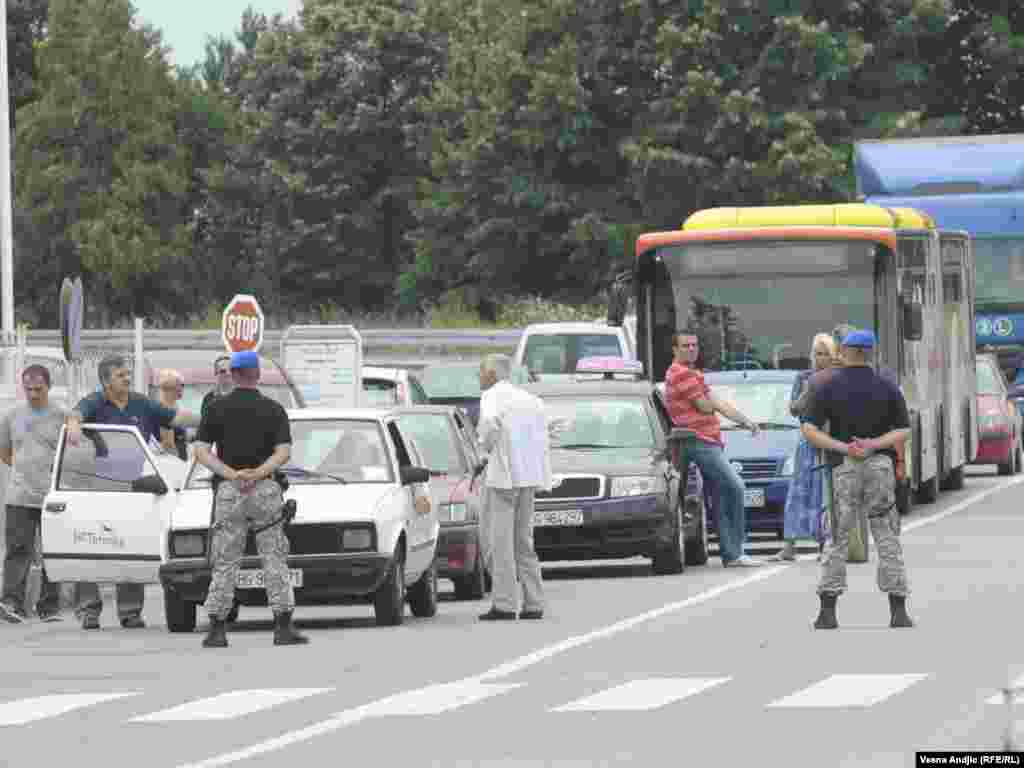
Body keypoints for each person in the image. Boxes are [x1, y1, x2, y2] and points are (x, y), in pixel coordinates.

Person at [65, 354, 200, 630]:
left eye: (128, 374)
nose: (127, 378)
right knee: (90, 547)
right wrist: (75, 425)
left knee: (128, 545)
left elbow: (175, 416)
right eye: (120, 375)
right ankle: (89, 611)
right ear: (105, 380)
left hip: (134, 486)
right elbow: (76, 414)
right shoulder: (95, 402)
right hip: (99, 486)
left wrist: (210, 418)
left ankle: (130, 612)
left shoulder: (141, 403)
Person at [193, 349, 308, 647]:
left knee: (225, 559)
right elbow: (284, 452)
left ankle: (217, 629)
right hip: (266, 489)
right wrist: (259, 472)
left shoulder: (216, 408)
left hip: (230, 492)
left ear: (232, 374)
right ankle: (283, 626)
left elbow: (201, 451)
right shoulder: (273, 409)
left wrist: (231, 474)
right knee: (274, 556)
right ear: (257, 375)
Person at [802, 329, 913, 630]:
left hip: (844, 468)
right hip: (879, 467)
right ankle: (898, 611)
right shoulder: (887, 386)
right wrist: (875, 444)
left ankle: (827, 611)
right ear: (872, 352)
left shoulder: (827, 385)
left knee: (837, 536)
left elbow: (809, 429)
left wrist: (843, 447)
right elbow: (903, 429)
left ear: (845, 352)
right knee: (886, 535)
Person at [664, 332, 763, 568]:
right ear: (674, 349)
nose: (691, 349)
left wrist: (745, 421)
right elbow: (706, 405)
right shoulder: (681, 373)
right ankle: (736, 551)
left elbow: (717, 404)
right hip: (699, 440)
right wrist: (711, 405)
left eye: (694, 345)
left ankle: (732, 554)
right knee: (735, 487)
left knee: (720, 494)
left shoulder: (694, 374)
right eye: (685, 345)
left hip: (707, 439)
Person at [476, 353, 552, 620]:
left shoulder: (492, 396)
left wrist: (484, 450)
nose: (480, 376)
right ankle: (534, 601)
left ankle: (505, 603)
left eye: (482, 371)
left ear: (493, 374)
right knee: (524, 542)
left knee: (501, 543)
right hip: (529, 477)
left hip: (503, 478)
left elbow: (488, 424)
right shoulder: (532, 400)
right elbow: (545, 436)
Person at [0, 365, 71, 623]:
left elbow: (72, 450)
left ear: (48, 387)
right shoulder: (11, 415)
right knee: (18, 550)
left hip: (52, 496)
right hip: (19, 495)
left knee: (52, 551)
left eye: (38, 389)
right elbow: (5, 452)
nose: (32, 394)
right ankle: (11, 603)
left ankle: (49, 606)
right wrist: (24, 472)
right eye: (27, 389)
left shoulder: (61, 414)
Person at [771, 333, 837, 562]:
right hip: (807, 441)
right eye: (817, 354)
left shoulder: (837, 377)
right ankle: (789, 545)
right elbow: (794, 409)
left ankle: (824, 543)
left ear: (833, 356)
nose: (820, 359)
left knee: (823, 493)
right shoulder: (804, 377)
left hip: (827, 441)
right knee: (798, 491)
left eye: (825, 354)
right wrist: (809, 390)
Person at [157, 369, 188, 460]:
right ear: (170, 387)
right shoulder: (164, 410)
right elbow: (168, 445)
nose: (182, 388)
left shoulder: (173, 407)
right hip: (173, 462)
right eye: (181, 385)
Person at [201, 354, 233, 423]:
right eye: (223, 371)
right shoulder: (209, 398)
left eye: (231, 370)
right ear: (216, 373)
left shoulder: (243, 396)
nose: (228, 373)